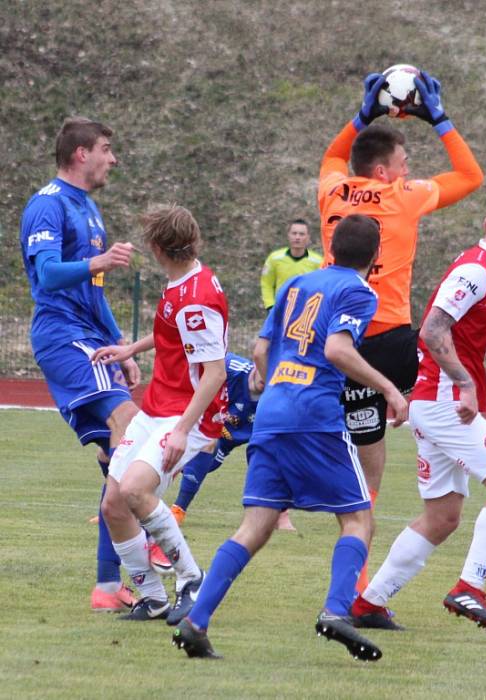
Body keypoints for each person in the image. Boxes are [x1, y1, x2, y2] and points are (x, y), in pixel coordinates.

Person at [172, 214, 408, 662]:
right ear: (376, 258)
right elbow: (338, 349)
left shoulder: (295, 286)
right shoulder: (359, 291)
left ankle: (196, 621)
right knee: (359, 519)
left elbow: (261, 350)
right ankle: (337, 611)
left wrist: (267, 380)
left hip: (273, 413)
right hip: (314, 416)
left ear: (331, 249)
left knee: (255, 527)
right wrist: (390, 388)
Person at [318, 69, 483, 589]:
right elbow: (471, 175)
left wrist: (362, 114)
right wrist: (439, 119)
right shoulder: (405, 196)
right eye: (405, 163)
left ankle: (352, 569)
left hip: (334, 342)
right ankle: (362, 578)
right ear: (388, 172)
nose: (410, 170)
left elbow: (330, 158)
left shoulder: (332, 190)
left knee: (344, 457)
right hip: (388, 343)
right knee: (376, 469)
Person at [351, 193, 486, 633]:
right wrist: (467, 383)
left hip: (443, 402)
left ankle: (368, 603)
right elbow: (433, 329)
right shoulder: (475, 269)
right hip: (445, 402)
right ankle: (470, 585)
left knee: (442, 517)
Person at [19, 116, 144, 612]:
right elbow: (48, 276)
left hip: (92, 338)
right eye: (106, 149)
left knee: (115, 455)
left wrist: (122, 347)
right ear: (80, 154)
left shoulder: (89, 208)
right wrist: (99, 261)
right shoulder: (48, 204)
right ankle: (152, 527)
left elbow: (92, 290)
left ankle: (108, 589)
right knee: (131, 427)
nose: (112, 158)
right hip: (63, 336)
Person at [92, 204, 228, 623]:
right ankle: (153, 598)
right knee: (114, 504)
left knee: (135, 490)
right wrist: (132, 348)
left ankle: (191, 578)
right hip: (157, 407)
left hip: (185, 415)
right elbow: (174, 332)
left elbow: (214, 372)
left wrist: (183, 431)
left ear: (155, 248)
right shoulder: (180, 284)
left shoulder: (197, 298)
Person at [169, 352, 296, 532]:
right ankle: (177, 510)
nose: (269, 377)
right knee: (200, 446)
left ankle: (280, 515)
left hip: (229, 439)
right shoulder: (230, 368)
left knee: (268, 455)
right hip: (202, 423)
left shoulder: (277, 400)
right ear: (257, 362)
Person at [260, 218, 323, 311]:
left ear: (308, 237)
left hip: (306, 313)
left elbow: (323, 288)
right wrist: (270, 306)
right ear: (288, 235)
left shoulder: (318, 262)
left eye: (302, 234)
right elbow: (266, 284)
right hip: (280, 310)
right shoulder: (274, 258)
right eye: (294, 233)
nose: (297, 237)